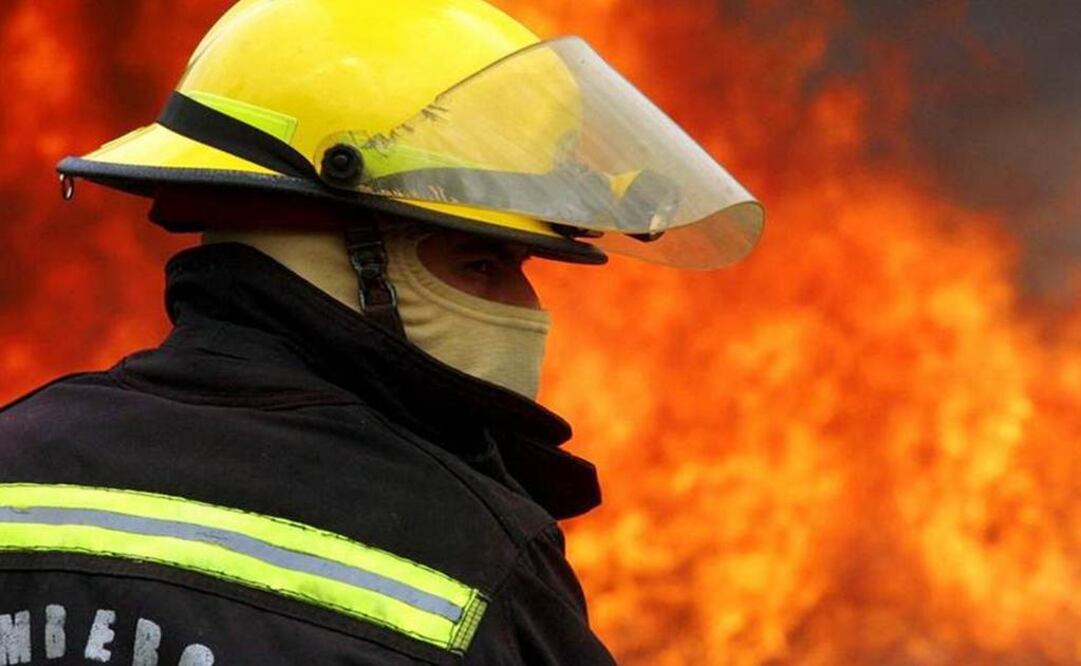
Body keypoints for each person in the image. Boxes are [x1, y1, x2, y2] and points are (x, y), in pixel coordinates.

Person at [0, 0, 763, 664]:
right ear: (343, 252)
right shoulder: (475, 555)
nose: (524, 304)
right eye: (478, 260)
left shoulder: (17, 456)